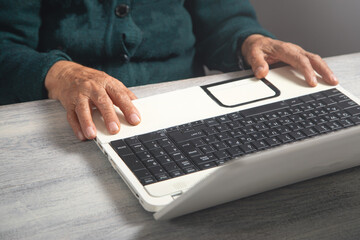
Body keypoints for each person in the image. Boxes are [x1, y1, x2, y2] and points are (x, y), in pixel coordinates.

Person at [0, 0, 338, 141]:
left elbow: (223, 18)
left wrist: (249, 40)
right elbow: (6, 42)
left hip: (184, 111)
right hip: (66, 119)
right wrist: (60, 73)